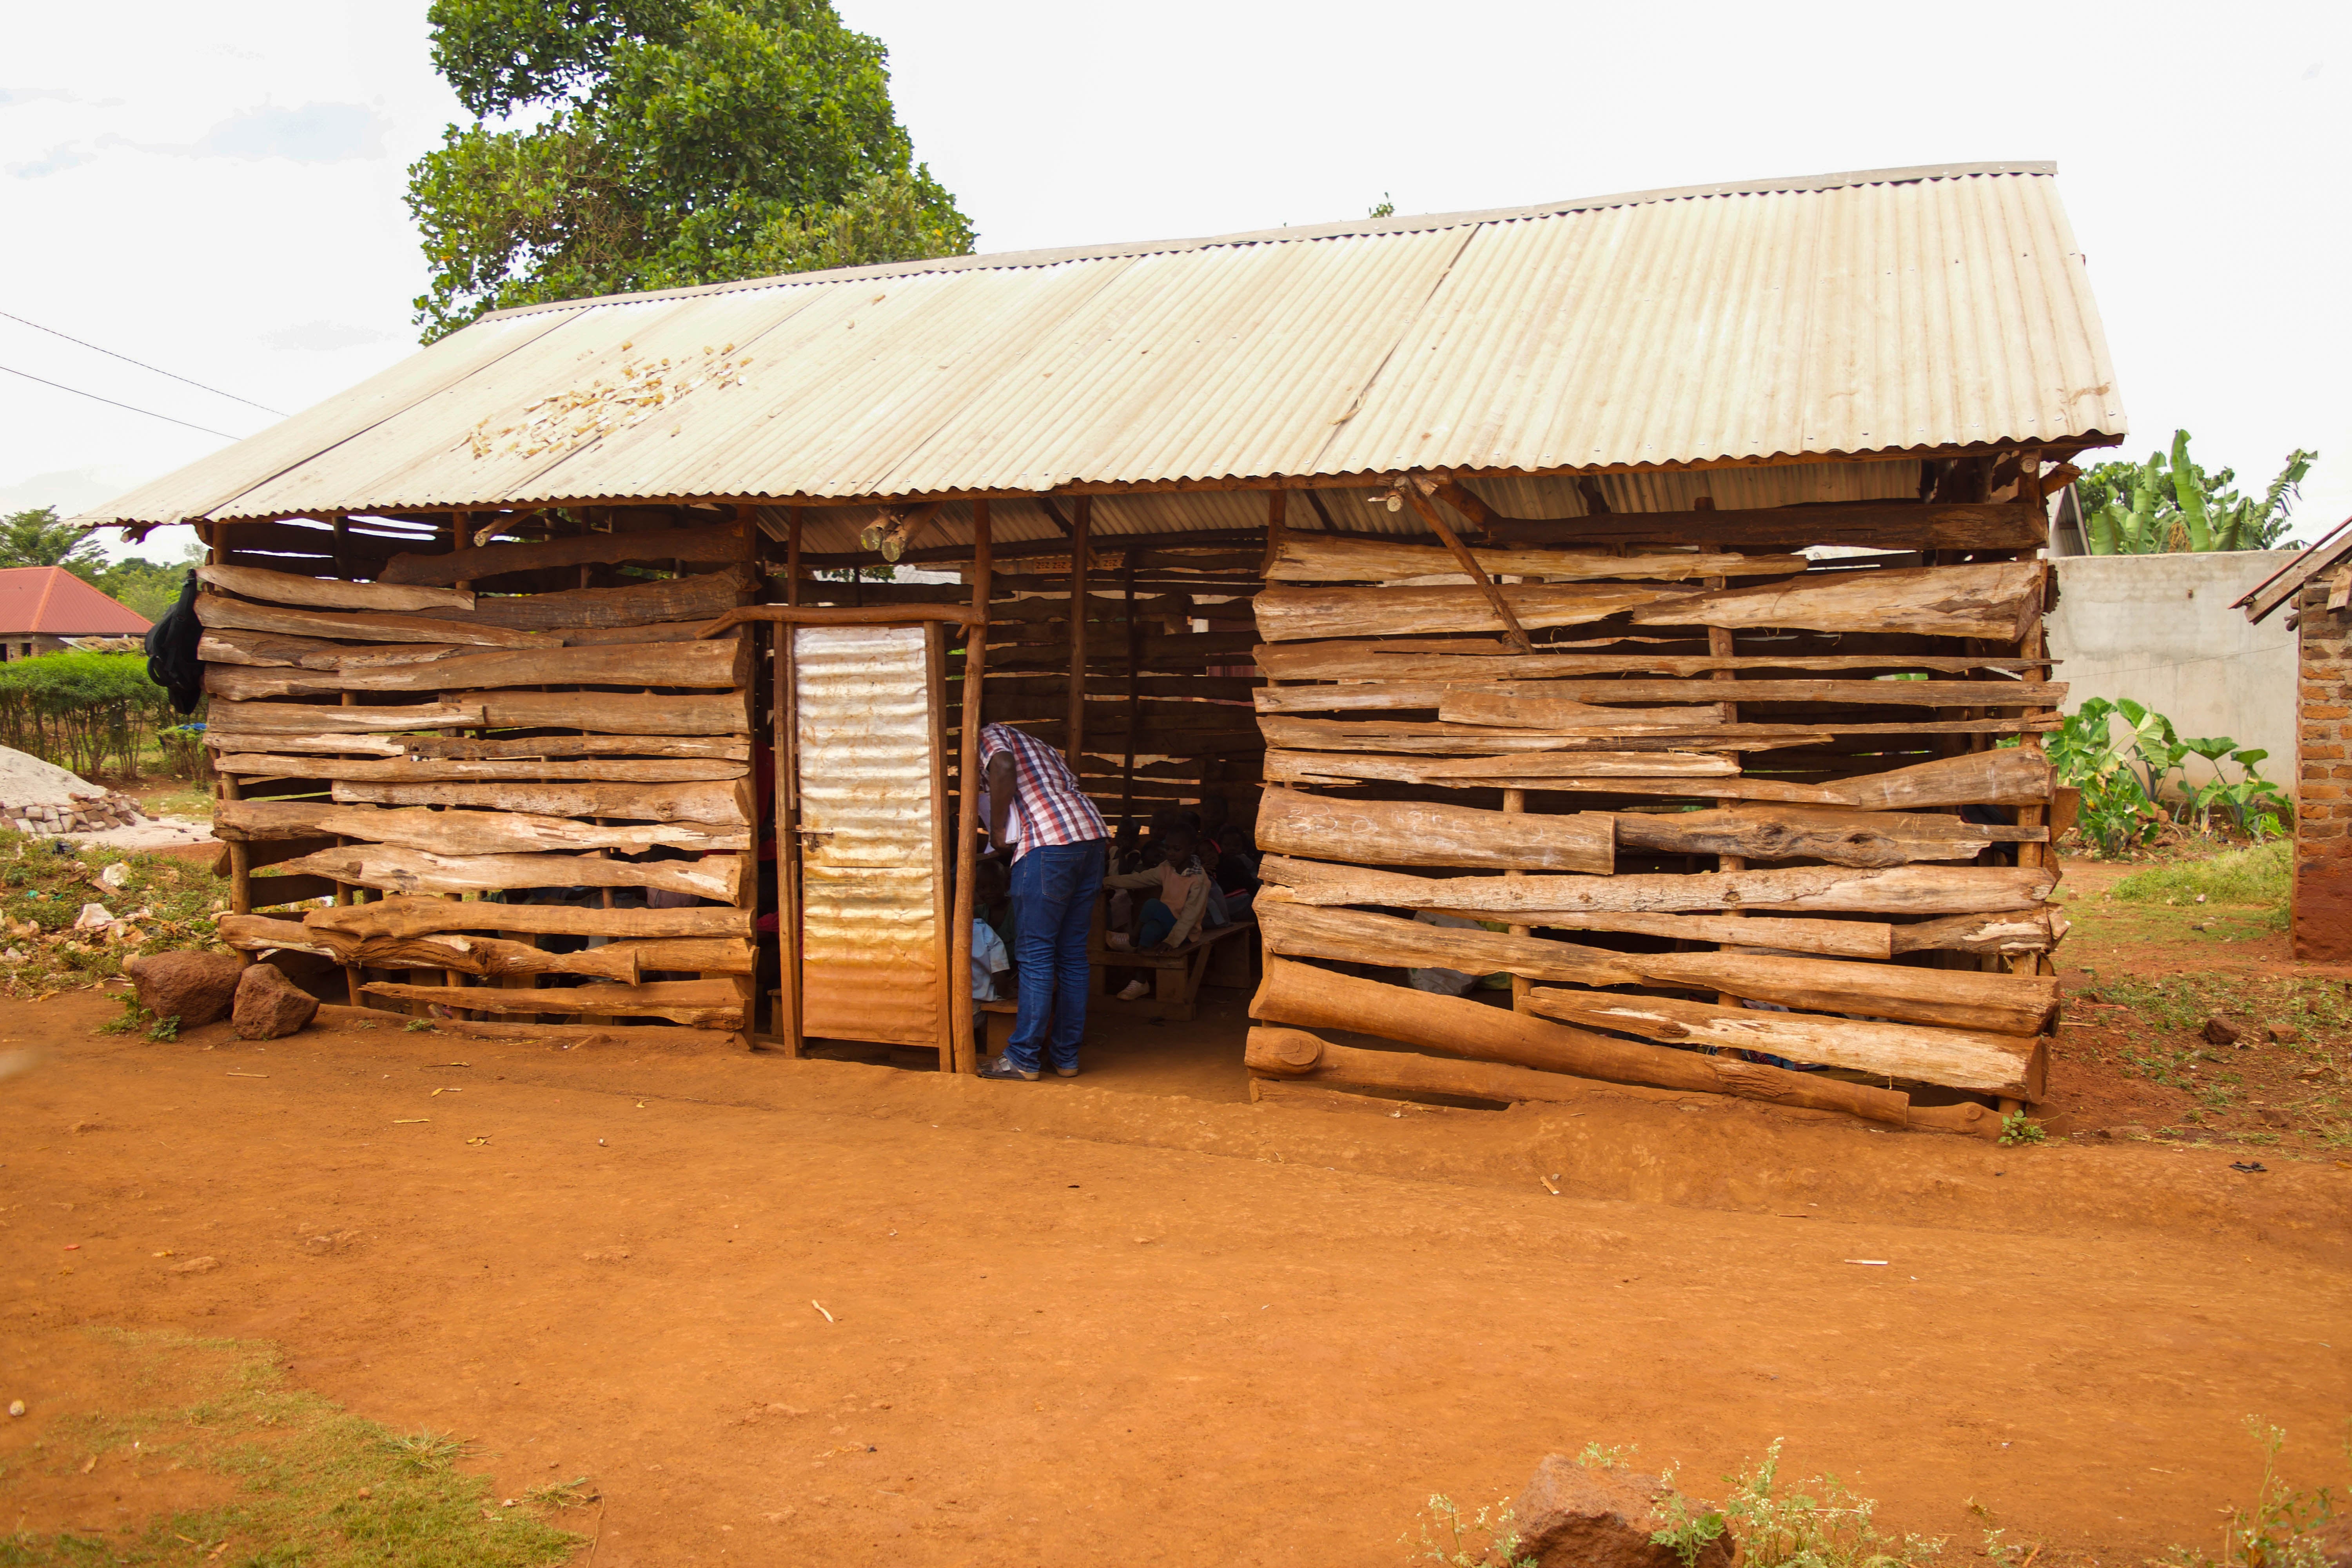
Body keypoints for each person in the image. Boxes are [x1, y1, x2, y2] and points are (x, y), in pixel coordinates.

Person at [975, 722, 1109, 1082]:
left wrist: (999, 830)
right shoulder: (1035, 742)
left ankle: (1023, 1058)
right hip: (1091, 836)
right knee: (1072, 955)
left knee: (1036, 954)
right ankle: (1066, 1058)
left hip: (1049, 843)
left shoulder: (987, 734)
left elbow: (1002, 767)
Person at [1101, 826, 1212, 1001]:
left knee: (1153, 905)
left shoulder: (1199, 880)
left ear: (1191, 850)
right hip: (1165, 923)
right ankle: (1140, 982)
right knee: (1150, 930)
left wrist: (1172, 940)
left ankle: (1132, 940)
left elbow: (1189, 917)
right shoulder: (1167, 868)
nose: (1171, 854)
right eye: (1168, 848)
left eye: (1177, 849)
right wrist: (1107, 882)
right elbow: (1138, 879)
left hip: (1185, 932)